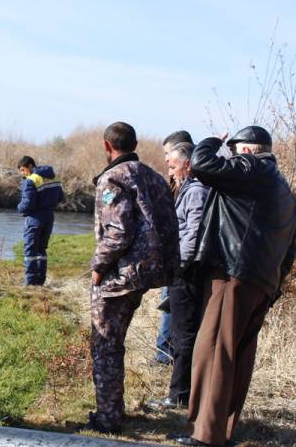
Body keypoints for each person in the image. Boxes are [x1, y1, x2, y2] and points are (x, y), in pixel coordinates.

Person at [173, 126, 296, 446]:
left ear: (245, 151)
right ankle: (220, 430)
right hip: (260, 283)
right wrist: (274, 285)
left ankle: (205, 434)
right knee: (237, 356)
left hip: (232, 274)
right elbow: (291, 247)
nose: (228, 156)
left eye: (233, 151)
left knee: (212, 349)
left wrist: (215, 140)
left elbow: (200, 163)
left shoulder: (254, 167)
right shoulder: (283, 188)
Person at [85, 122, 179, 434]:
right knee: (115, 341)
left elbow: (118, 231)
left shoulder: (113, 178)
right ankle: (114, 410)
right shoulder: (152, 176)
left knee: (104, 343)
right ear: (135, 143)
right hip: (146, 272)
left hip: (119, 274)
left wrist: (99, 265)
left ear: (106, 146)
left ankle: (108, 418)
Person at [148, 142, 209, 410]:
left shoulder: (195, 192)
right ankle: (182, 393)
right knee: (181, 332)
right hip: (184, 270)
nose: (169, 172)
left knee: (183, 335)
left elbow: (192, 233)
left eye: (172, 166)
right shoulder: (189, 188)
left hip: (187, 273)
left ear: (187, 164)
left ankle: (178, 396)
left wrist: (176, 266)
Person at [154, 130, 195, 366]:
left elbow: (190, 226)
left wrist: (179, 262)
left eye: (168, 154)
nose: (166, 162)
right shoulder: (177, 180)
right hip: (173, 253)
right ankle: (164, 352)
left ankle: (165, 354)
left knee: (171, 303)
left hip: (181, 259)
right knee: (168, 303)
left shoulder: (193, 185)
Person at [16, 156, 64, 285]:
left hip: (34, 219)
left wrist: (19, 208)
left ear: (30, 166)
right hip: (49, 217)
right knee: (41, 249)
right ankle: (40, 281)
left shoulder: (31, 180)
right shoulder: (53, 177)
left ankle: (30, 282)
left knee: (30, 250)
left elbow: (27, 204)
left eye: (22, 170)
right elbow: (60, 198)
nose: (22, 173)